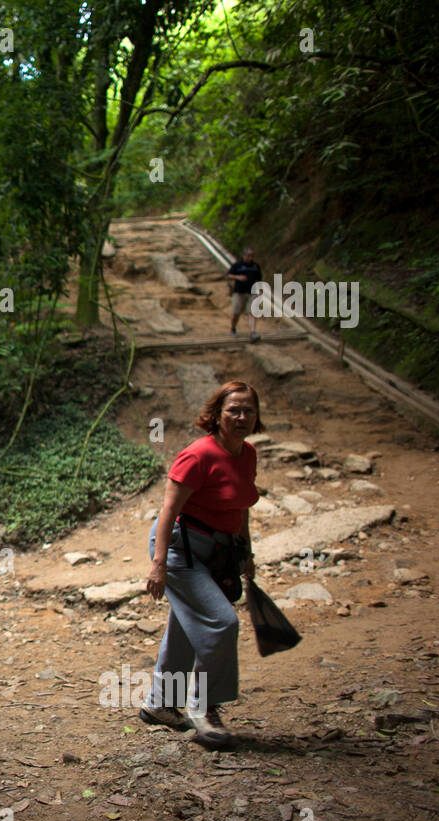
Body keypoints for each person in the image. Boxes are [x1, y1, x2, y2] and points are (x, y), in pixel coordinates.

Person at [141, 382, 262, 749]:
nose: (241, 417)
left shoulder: (248, 454)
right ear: (216, 415)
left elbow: (239, 505)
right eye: (233, 410)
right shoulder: (198, 455)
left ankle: (160, 704)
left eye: (248, 411)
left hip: (218, 552)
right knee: (222, 622)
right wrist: (159, 565)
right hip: (180, 551)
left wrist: (247, 552)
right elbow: (168, 511)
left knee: (184, 629)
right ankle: (203, 707)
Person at [225, 247, 262, 341]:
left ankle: (253, 332)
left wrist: (260, 290)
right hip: (239, 292)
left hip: (251, 292)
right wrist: (238, 277)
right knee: (236, 313)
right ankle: (233, 328)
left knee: (252, 312)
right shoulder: (237, 265)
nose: (251, 258)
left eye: (252, 256)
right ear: (244, 255)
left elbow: (259, 279)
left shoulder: (256, 266)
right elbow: (229, 275)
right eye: (249, 256)